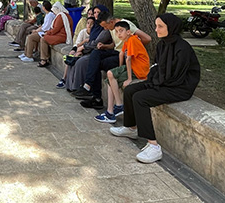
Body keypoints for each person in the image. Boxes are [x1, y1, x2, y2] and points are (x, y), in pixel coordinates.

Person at [109, 13, 200, 164]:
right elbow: (157, 67)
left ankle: (153, 146)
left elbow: (176, 76)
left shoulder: (183, 48)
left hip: (179, 87)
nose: (156, 29)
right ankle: (131, 128)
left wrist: (154, 84)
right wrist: (153, 80)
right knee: (131, 90)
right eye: (156, 25)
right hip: (163, 81)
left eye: (160, 26)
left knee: (141, 98)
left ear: (171, 28)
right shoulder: (162, 44)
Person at [73, 11, 152, 110]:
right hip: (117, 52)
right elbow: (114, 45)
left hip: (125, 55)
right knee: (95, 54)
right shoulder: (113, 28)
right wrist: (104, 46)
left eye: (105, 26)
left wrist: (135, 47)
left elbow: (147, 38)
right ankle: (89, 88)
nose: (105, 29)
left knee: (99, 64)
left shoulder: (125, 26)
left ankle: (96, 97)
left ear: (111, 22)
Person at [94, 21, 150, 123]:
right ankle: (110, 113)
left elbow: (128, 59)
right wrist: (119, 70)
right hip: (133, 68)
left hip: (139, 71)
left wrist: (128, 78)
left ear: (128, 32)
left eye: (121, 31)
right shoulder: (127, 41)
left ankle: (119, 105)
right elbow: (121, 54)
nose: (119, 34)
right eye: (116, 32)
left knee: (110, 74)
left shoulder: (133, 40)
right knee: (110, 78)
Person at [32, 2, 73, 67]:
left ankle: (44, 59)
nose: (53, 13)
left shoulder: (60, 16)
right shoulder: (64, 15)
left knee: (43, 38)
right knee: (44, 37)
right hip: (60, 34)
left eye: (54, 11)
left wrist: (47, 33)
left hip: (62, 36)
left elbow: (55, 29)